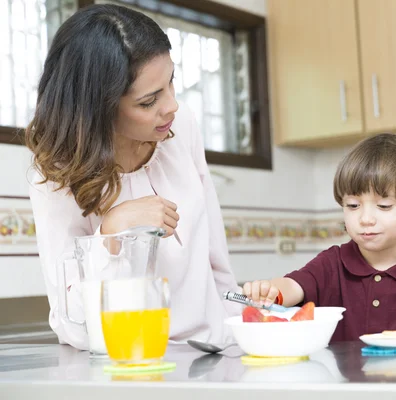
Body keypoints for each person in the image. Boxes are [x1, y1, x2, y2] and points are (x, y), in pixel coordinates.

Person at [25, 4, 241, 350]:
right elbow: (74, 323)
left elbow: (217, 265)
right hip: (129, 364)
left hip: (211, 352)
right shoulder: (55, 174)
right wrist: (111, 231)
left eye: (171, 82)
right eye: (148, 101)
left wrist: (242, 330)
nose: (170, 106)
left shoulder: (180, 126)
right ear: (99, 108)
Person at [243, 133, 396, 344]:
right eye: (353, 205)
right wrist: (271, 292)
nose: (365, 218)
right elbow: (293, 286)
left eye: (383, 206)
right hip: (342, 382)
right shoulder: (332, 263)